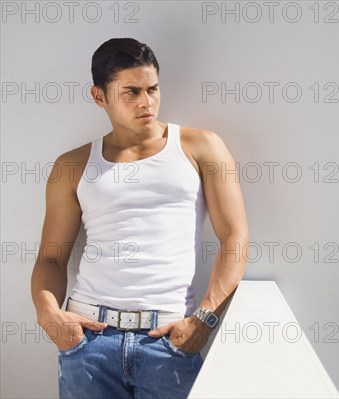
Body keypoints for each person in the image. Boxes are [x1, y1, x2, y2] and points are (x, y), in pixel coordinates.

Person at [30, 37, 249, 398]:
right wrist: (48, 314)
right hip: (88, 342)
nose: (146, 102)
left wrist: (204, 320)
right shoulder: (72, 165)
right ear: (99, 96)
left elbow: (235, 238)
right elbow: (51, 256)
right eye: (130, 92)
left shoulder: (200, 146)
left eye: (152, 89)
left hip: (167, 341)